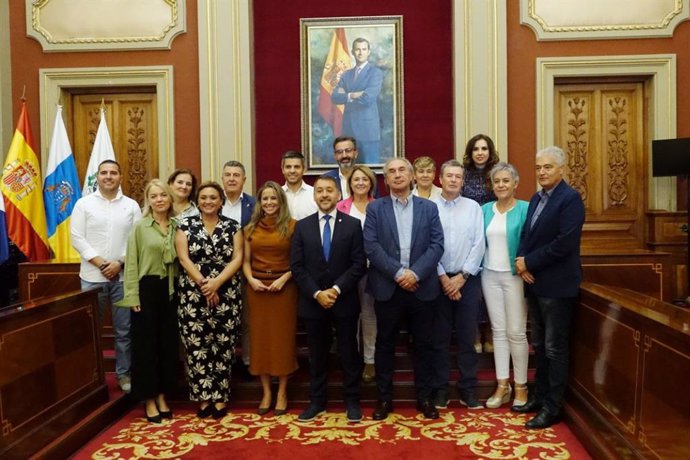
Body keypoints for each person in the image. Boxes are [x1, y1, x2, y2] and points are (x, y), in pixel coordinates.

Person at [363, 158, 444, 420]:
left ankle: (425, 398)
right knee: (384, 344)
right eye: (391, 172)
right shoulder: (375, 208)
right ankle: (384, 400)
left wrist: (415, 273)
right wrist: (399, 273)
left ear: (412, 177)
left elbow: (437, 245)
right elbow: (371, 246)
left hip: (422, 287)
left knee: (424, 345)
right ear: (385, 180)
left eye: (402, 171)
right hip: (388, 287)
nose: (397, 175)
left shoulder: (429, 208)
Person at [514, 146, 585, 429]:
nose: (542, 172)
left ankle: (553, 408)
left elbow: (564, 244)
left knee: (555, 349)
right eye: (539, 167)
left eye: (548, 167)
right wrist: (521, 261)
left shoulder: (570, 199)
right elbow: (526, 235)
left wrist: (529, 261)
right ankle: (538, 397)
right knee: (540, 346)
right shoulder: (536, 198)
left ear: (561, 169)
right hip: (535, 285)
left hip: (558, 287)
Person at [291, 176, 367, 423]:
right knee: (317, 354)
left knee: (348, 352)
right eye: (320, 191)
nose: (324, 195)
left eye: (329, 191)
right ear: (314, 196)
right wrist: (317, 293)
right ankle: (317, 401)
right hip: (313, 302)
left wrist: (335, 289)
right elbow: (297, 267)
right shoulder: (301, 226)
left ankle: (352, 401)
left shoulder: (353, 225)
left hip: (343, 300)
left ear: (338, 195)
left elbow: (358, 265)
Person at [71, 159, 142, 393]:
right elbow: (77, 238)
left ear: (120, 176)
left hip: (123, 278)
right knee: (91, 331)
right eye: (104, 173)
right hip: (92, 278)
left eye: (113, 173)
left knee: (124, 332)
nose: (108, 177)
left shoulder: (131, 206)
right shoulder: (83, 204)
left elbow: (136, 240)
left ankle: (124, 375)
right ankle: (92, 377)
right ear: (97, 177)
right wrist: (103, 264)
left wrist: (119, 263)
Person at [175, 181, 244, 419]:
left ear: (221, 201)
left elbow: (238, 258)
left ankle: (221, 397)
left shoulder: (233, 226)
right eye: (203, 197)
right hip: (193, 294)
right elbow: (183, 259)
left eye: (213, 197)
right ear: (198, 201)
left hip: (227, 292)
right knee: (197, 347)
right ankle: (203, 398)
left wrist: (217, 283)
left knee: (223, 346)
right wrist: (205, 284)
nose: (208, 202)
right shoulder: (185, 225)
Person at [117, 179, 179, 423]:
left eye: (163, 195)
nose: (160, 199)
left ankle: (162, 395)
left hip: (171, 290)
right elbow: (131, 263)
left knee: (166, 345)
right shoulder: (140, 228)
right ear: (148, 201)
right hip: (146, 289)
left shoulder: (177, 226)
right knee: (146, 347)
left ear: (170, 198)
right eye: (154, 196)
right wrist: (132, 295)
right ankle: (149, 399)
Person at [431, 160, 485, 411]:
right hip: (437, 281)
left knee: (466, 338)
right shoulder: (429, 207)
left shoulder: (473, 207)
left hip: (468, 281)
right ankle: (441, 390)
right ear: (439, 179)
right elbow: (428, 245)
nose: (453, 180)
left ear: (463, 181)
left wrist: (462, 276)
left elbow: (479, 244)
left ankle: (468, 390)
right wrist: (443, 277)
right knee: (439, 340)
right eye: (449, 176)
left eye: (457, 177)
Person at [243, 181, 298, 416]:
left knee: (282, 342)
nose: (269, 203)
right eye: (265, 198)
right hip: (256, 289)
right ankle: (266, 391)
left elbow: (299, 262)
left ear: (281, 201)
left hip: (284, 289)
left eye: (273, 198)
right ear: (259, 202)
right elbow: (244, 261)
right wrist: (252, 280)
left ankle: (283, 391)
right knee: (260, 342)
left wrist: (283, 278)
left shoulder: (293, 226)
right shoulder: (250, 229)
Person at [480, 162, 530, 409]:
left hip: (515, 277)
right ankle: (503, 385)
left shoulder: (525, 209)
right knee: (498, 331)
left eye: (505, 181)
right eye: (497, 181)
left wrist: (526, 263)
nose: (500, 185)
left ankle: (521, 385)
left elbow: (533, 240)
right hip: (489, 275)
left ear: (515, 184)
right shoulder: (485, 210)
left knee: (517, 333)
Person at [336, 165, 377, 384]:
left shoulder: (378, 206)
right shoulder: (340, 207)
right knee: (349, 316)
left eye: (364, 179)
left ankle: (370, 360)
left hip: (373, 270)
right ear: (349, 183)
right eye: (356, 180)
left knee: (369, 315)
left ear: (371, 182)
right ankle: (350, 359)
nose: (360, 183)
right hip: (347, 271)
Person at [462, 134, 500, 354]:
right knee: (474, 290)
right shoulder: (463, 174)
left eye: (484, 148)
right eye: (476, 148)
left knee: (491, 289)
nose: (480, 152)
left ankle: (491, 333)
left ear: (490, 151)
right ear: (470, 152)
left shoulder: (497, 173)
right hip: (470, 239)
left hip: (495, 237)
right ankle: (476, 333)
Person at [220, 160, 255, 379]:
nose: (232, 178)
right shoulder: (212, 202)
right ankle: (226, 360)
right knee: (223, 319)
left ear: (244, 179)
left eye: (236, 175)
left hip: (247, 270)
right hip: (218, 273)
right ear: (222, 179)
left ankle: (248, 361)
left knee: (248, 320)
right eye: (228, 175)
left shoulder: (255, 204)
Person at [331, 37, 384, 165]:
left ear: (369, 52)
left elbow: (367, 99)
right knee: (350, 171)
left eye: (364, 49)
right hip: (348, 130)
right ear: (353, 52)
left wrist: (346, 96)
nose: (360, 52)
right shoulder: (346, 74)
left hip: (368, 130)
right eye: (357, 49)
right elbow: (334, 97)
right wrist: (353, 95)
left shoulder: (375, 73)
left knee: (370, 172)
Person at [280, 150, 317, 220]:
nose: (292, 171)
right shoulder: (277, 195)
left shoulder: (314, 194)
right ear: (283, 170)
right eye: (288, 167)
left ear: (304, 169)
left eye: (296, 167)